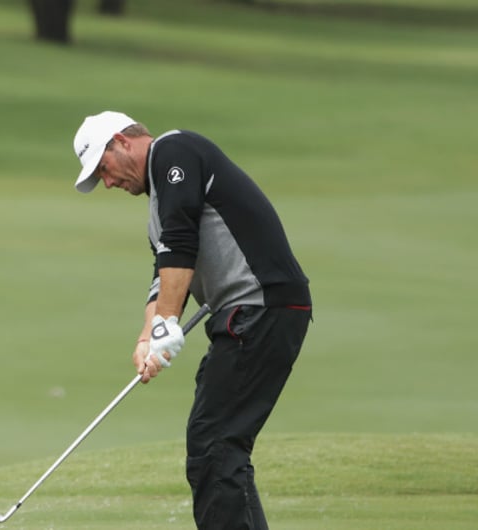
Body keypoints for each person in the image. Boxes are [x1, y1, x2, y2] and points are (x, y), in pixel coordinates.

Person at [71, 111, 311, 529]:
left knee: (214, 445)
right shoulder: (159, 205)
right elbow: (165, 274)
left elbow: (181, 241)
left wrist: (167, 322)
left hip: (261, 308)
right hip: (251, 314)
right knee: (219, 446)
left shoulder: (174, 150)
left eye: (102, 169)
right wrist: (148, 335)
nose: (107, 183)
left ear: (121, 142)